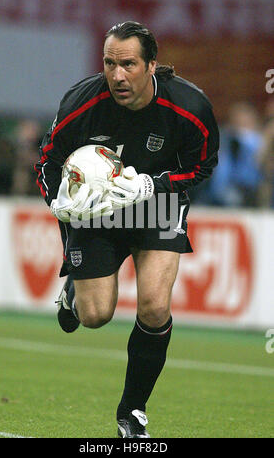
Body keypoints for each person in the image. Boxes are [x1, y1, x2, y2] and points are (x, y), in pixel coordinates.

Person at [34, 21, 219, 438]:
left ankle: (132, 412)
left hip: (157, 205)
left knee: (154, 307)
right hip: (97, 212)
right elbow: (46, 160)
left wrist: (153, 184)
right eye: (109, 63)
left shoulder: (191, 108)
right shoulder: (81, 102)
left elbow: (202, 165)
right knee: (95, 315)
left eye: (129, 64)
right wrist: (58, 202)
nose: (117, 75)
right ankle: (75, 294)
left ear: (152, 64)